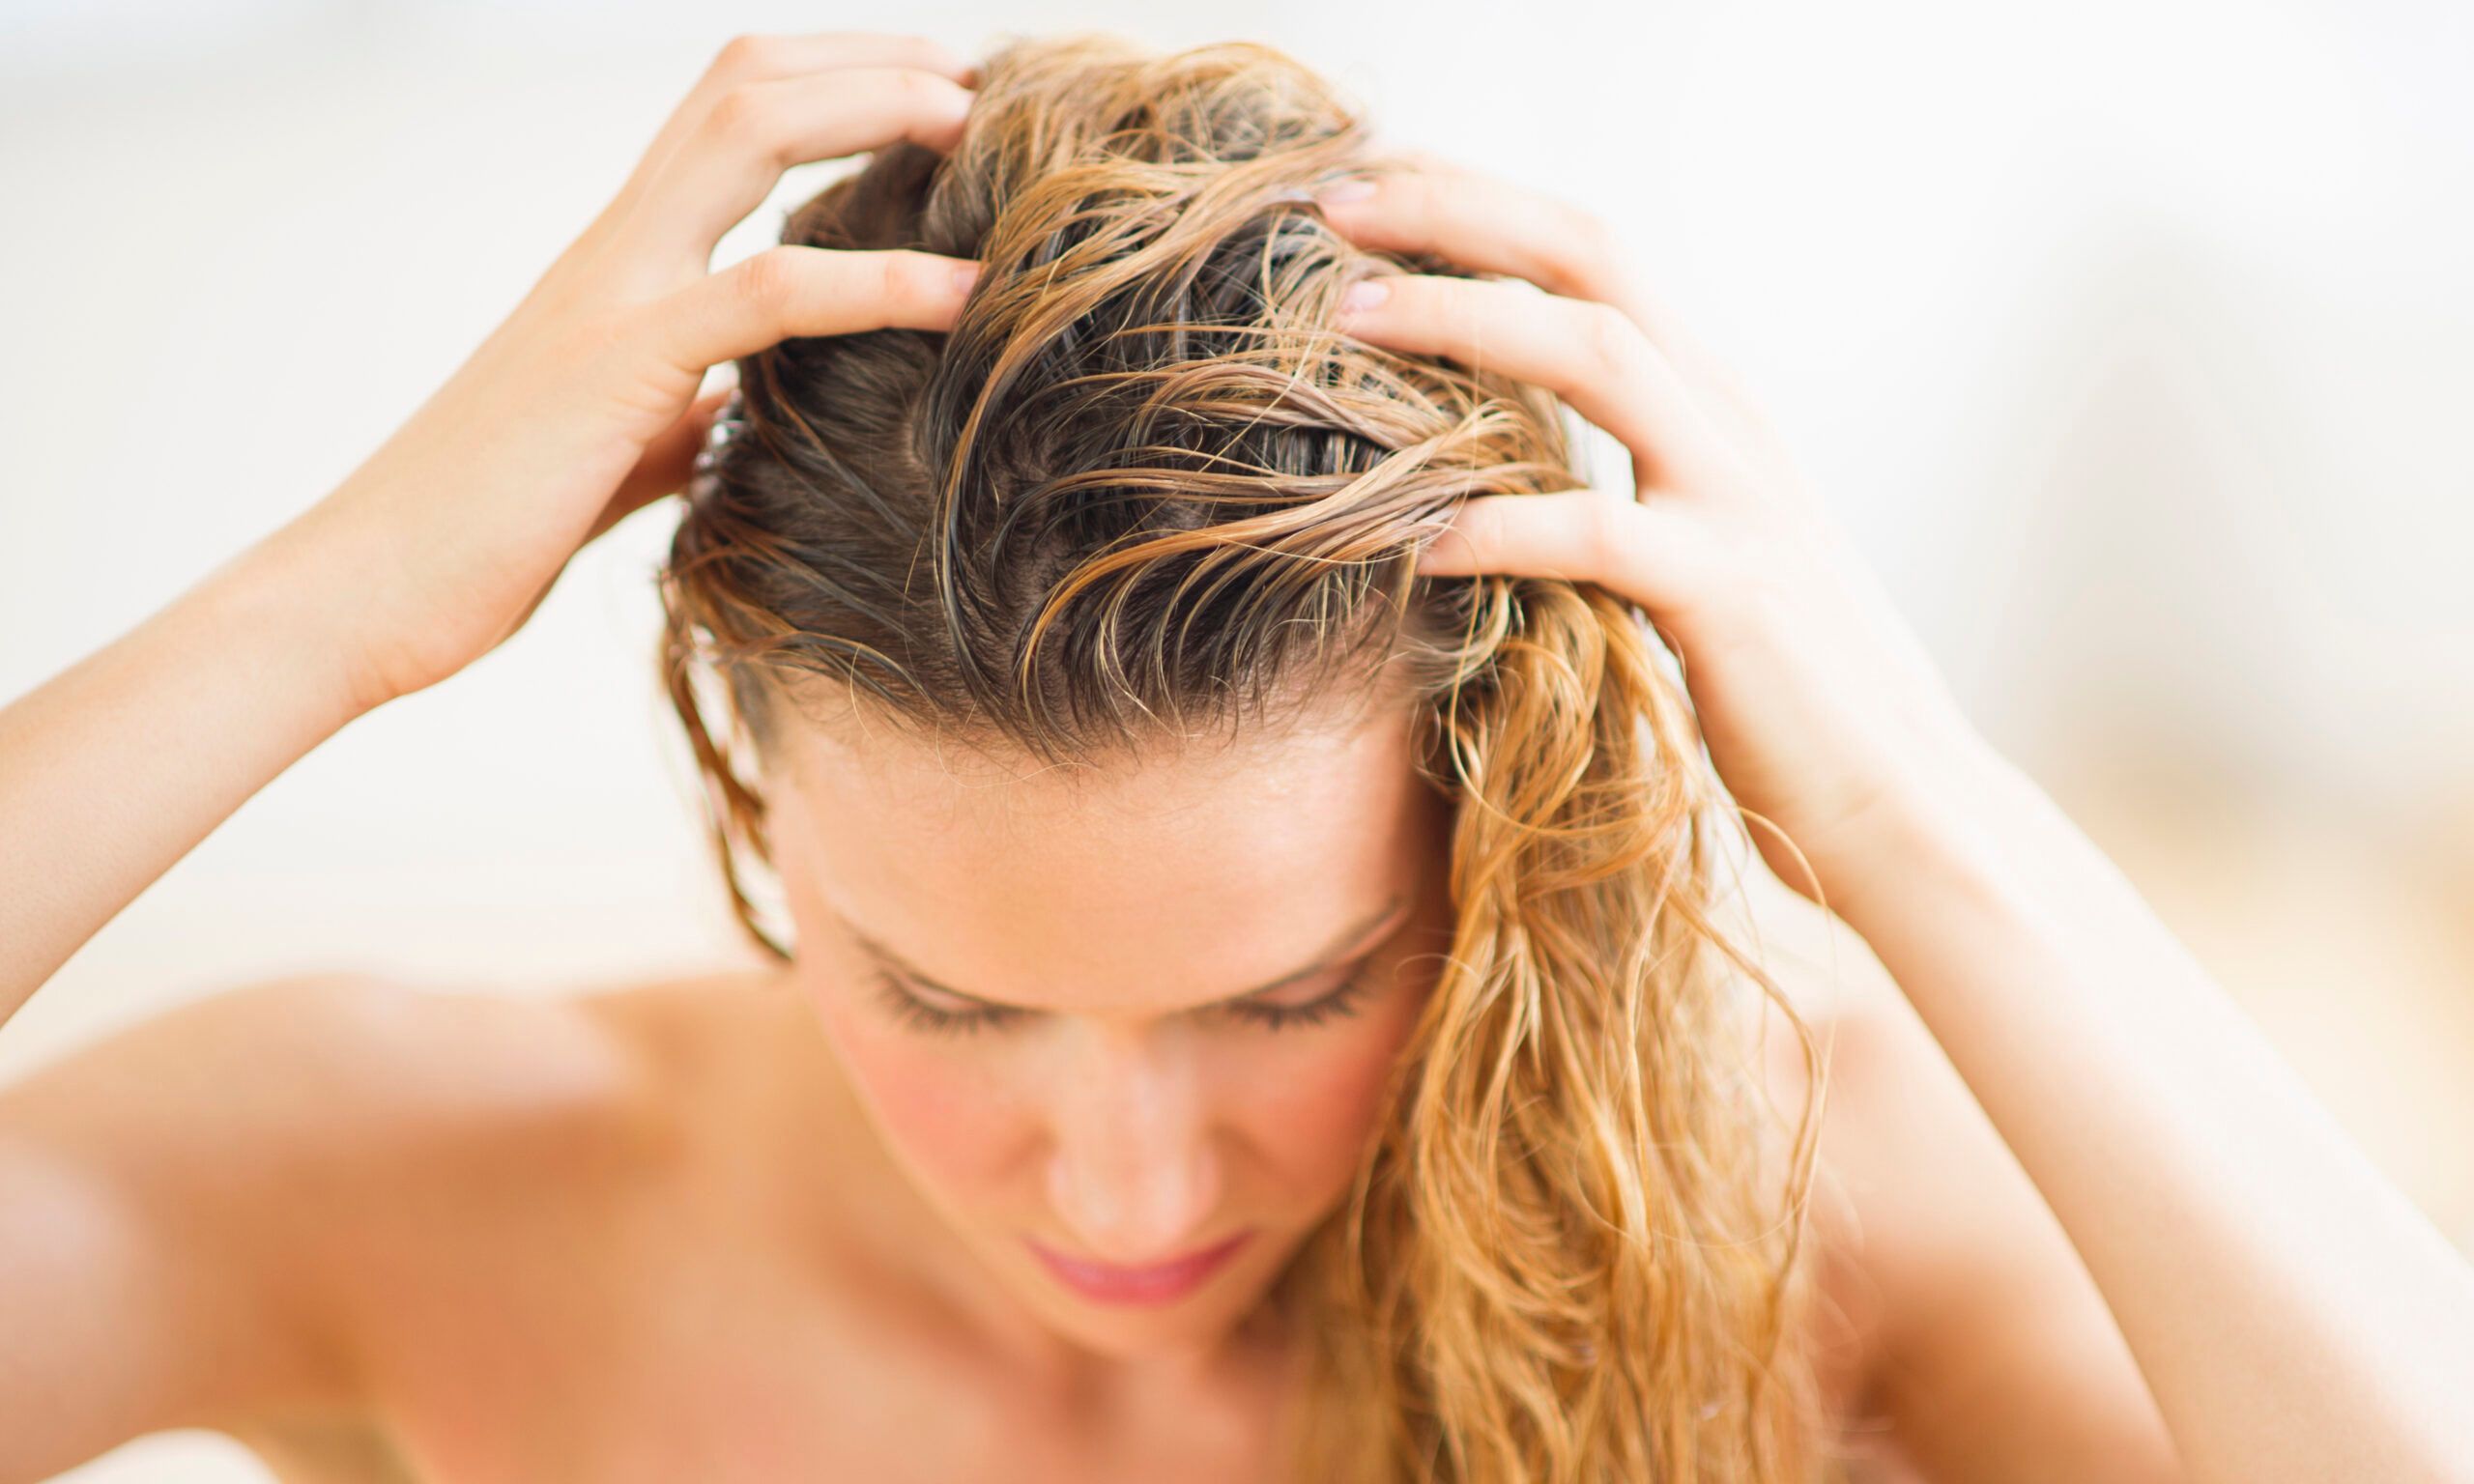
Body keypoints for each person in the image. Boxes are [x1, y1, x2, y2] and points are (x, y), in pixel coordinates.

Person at [2, 27, 2467, 1484]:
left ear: (1479, 824)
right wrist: (325, 606)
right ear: (751, 778)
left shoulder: (1795, 1184)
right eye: (946, 1000)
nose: (1115, 1176)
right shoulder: (421, 1178)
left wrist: (1919, 816)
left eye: (1288, 996)